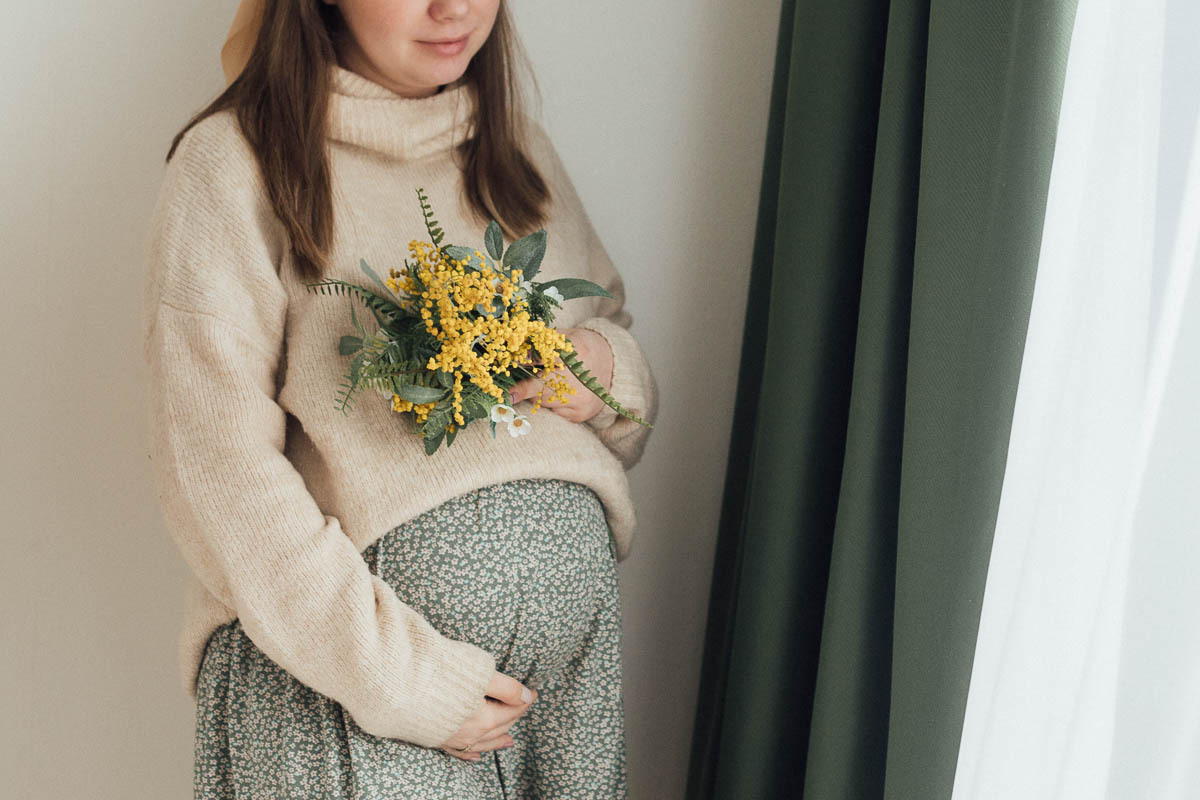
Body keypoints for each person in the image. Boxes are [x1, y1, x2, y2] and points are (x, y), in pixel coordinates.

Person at [141, 0, 658, 796]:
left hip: (562, 695)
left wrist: (598, 371)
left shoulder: (513, 150)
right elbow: (217, 473)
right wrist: (405, 684)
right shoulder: (235, 163)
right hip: (359, 695)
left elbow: (613, 349)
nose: (453, 7)